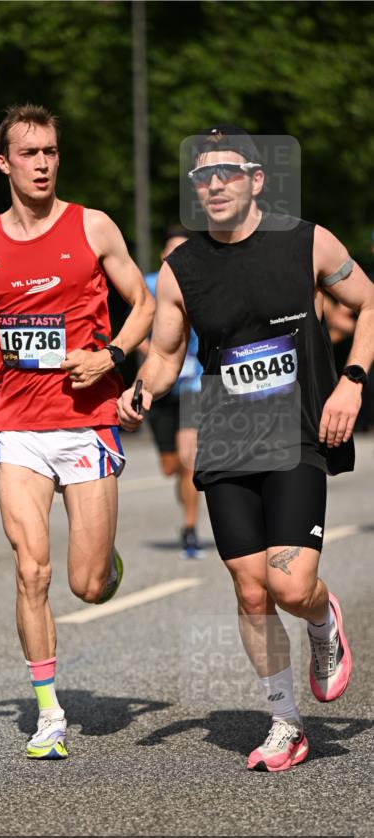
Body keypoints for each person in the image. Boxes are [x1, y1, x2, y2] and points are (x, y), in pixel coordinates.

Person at [119, 126, 374, 772]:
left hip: (295, 432)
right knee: (251, 591)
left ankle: (321, 624)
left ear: (256, 179)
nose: (213, 185)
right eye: (202, 177)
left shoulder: (304, 241)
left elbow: (368, 301)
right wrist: (140, 392)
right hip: (226, 437)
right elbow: (167, 352)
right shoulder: (181, 270)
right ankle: (284, 721)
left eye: (226, 172)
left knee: (290, 585)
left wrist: (351, 381)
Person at [0, 104, 154, 759]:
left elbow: (143, 304)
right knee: (31, 571)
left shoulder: (93, 227)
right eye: (29, 154)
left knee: (86, 584)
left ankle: (106, 561)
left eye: (50, 152)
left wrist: (111, 356)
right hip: (19, 429)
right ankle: (49, 714)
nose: (41, 164)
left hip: (86, 423)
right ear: (3, 162)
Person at [139, 226, 204, 558]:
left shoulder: (205, 284)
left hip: (196, 383)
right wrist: (153, 350)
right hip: (161, 383)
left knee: (189, 458)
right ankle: (184, 476)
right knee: (171, 466)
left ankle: (190, 529)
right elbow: (132, 330)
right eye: (171, 253)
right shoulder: (149, 285)